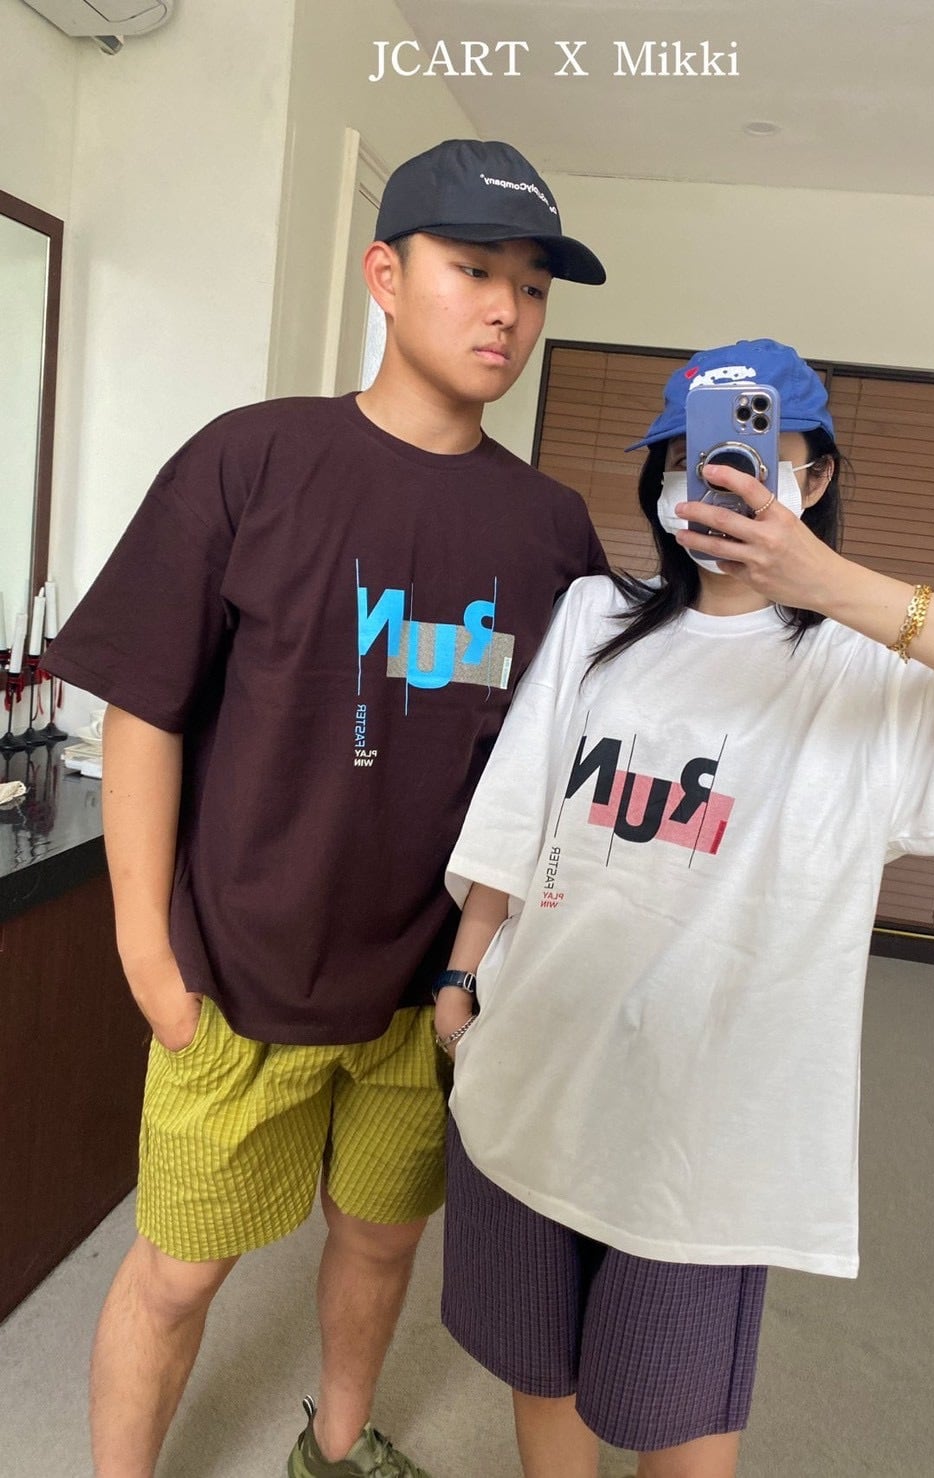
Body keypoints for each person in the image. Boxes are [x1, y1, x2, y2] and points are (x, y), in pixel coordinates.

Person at [431, 339, 934, 1478]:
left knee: (679, 1410)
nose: (709, 480)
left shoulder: (861, 671)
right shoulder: (598, 617)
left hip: (708, 1123)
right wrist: (461, 980)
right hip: (537, 1058)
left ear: (815, 475)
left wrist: (828, 581)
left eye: (746, 456)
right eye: (683, 458)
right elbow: (517, 810)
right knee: (539, 1367)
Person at [43, 138, 607, 1478]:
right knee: (179, 1270)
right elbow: (145, 706)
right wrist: (144, 947)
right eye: (474, 270)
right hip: (239, 970)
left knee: (381, 1237)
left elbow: (563, 762)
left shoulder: (550, 530)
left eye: (532, 286)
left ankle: (335, 1447)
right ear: (385, 275)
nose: (507, 311)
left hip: (426, 988)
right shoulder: (252, 459)